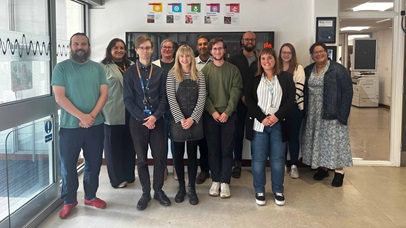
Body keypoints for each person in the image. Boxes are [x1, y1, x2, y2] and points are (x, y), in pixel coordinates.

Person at [51, 33, 108, 219]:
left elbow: (104, 95)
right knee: (68, 166)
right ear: (70, 46)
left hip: (95, 125)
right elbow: (60, 97)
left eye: (83, 44)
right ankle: (69, 201)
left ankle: (90, 197)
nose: (80, 47)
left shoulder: (97, 68)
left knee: (93, 164)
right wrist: (82, 116)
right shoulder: (61, 68)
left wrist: (91, 116)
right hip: (69, 127)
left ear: (89, 46)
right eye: (76, 44)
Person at [123, 35, 170, 210]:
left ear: (152, 50)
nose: (145, 50)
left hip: (157, 121)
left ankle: (158, 191)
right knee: (142, 159)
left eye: (148, 47)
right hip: (138, 122)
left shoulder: (159, 72)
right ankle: (145, 192)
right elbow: (127, 100)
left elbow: (165, 98)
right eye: (141, 48)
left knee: (159, 159)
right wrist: (144, 118)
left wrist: (155, 117)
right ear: (136, 50)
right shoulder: (129, 72)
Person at [245, 48, 295, 206]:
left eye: (269, 58)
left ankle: (278, 190)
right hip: (259, 125)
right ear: (260, 61)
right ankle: (259, 190)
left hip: (279, 124)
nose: (266, 61)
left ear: (275, 59)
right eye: (263, 59)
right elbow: (249, 101)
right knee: (259, 160)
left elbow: (289, 100)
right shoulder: (254, 79)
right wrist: (262, 118)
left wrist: (276, 116)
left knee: (278, 160)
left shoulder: (286, 78)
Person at [302, 42, 353, 187]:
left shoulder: (338, 69)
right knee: (319, 141)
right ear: (312, 55)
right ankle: (323, 168)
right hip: (313, 112)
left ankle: (339, 172)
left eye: (322, 51)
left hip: (332, 112)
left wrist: (343, 114)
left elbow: (347, 92)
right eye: (316, 52)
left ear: (327, 52)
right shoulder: (308, 70)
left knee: (335, 142)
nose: (319, 54)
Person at [201, 37, 243, 198]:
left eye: (220, 48)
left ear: (225, 50)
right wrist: (213, 112)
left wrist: (227, 112)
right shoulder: (205, 71)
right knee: (213, 149)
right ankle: (216, 180)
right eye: (214, 49)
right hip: (211, 115)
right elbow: (203, 95)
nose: (217, 51)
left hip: (229, 115)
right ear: (211, 51)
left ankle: (225, 181)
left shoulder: (233, 70)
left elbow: (236, 91)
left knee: (227, 149)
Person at [167, 45, 206, 205]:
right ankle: (181, 187)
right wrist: (181, 118)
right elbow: (171, 97)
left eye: (188, 56)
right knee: (177, 156)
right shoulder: (172, 74)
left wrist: (193, 118)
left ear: (192, 58)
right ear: (178, 58)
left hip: (194, 123)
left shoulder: (199, 75)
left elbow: (202, 97)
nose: (185, 59)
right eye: (182, 57)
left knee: (192, 156)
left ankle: (191, 188)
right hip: (178, 123)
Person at [101, 38, 136, 188]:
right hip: (112, 111)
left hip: (131, 112)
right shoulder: (102, 67)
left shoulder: (132, 65)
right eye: (116, 48)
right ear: (110, 49)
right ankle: (116, 179)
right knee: (113, 147)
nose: (119, 50)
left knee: (130, 145)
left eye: (122, 48)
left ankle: (129, 174)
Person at [228, 31, 258, 179]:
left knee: (256, 134)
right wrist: (240, 96)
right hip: (238, 103)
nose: (249, 41)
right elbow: (231, 82)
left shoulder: (261, 59)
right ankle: (237, 163)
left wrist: (252, 98)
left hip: (257, 104)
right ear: (242, 41)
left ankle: (256, 163)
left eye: (252, 39)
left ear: (255, 41)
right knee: (237, 134)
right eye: (247, 39)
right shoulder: (233, 59)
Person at [278, 43, 305, 179]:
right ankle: (282, 164)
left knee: (293, 136)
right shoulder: (276, 67)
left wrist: (287, 104)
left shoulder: (298, 68)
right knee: (282, 137)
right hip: (279, 109)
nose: (286, 54)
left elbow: (299, 89)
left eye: (289, 52)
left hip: (295, 108)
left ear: (292, 54)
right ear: (280, 53)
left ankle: (293, 165)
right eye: (284, 52)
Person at [152, 39, 177, 180]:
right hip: (159, 109)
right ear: (160, 49)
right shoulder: (154, 65)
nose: (167, 49)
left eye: (170, 47)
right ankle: (163, 168)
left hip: (176, 108)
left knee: (175, 139)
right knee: (160, 141)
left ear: (174, 49)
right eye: (164, 47)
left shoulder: (179, 63)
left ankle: (175, 167)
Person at [194, 35, 212, 185]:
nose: (202, 46)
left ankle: (216, 170)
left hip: (214, 108)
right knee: (202, 142)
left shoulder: (217, 60)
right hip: (197, 109)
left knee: (215, 141)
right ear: (197, 47)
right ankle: (204, 170)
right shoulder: (192, 63)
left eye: (205, 44)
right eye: (200, 44)